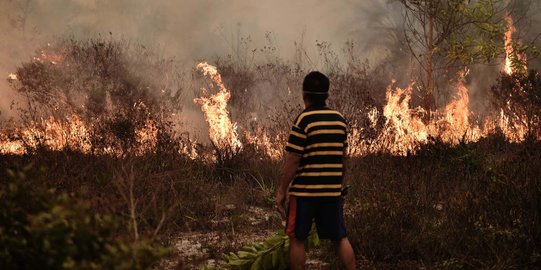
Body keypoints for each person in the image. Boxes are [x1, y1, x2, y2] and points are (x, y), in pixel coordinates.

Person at [275, 71, 356, 270]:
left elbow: (293, 159)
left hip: (304, 194)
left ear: (304, 94)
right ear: (327, 95)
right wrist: (340, 185)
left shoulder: (303, 120)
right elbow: (343, 157)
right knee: (339, 238)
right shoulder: (339, 120)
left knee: (297, 239)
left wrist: (281, 191)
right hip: (331, 192)